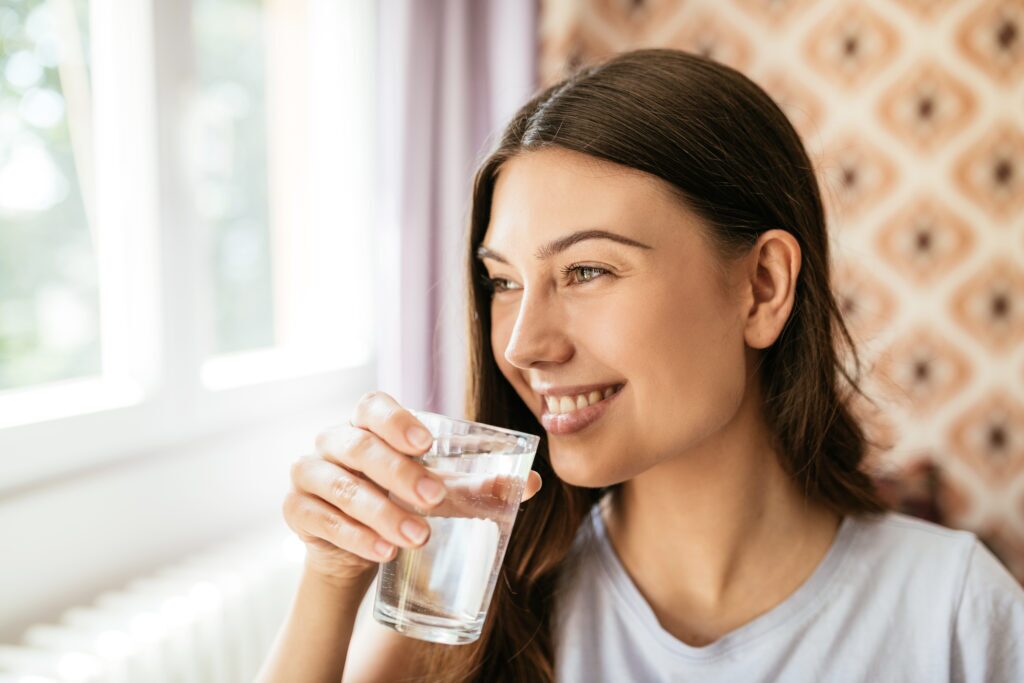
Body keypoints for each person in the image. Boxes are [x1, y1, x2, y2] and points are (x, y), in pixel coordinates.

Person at [256, 48, 1024, 683]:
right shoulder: (478, 612)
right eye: (502, 282)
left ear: (762, 287)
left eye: (587, 271)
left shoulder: (954, 612)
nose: (523, 343)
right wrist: (330, 577)